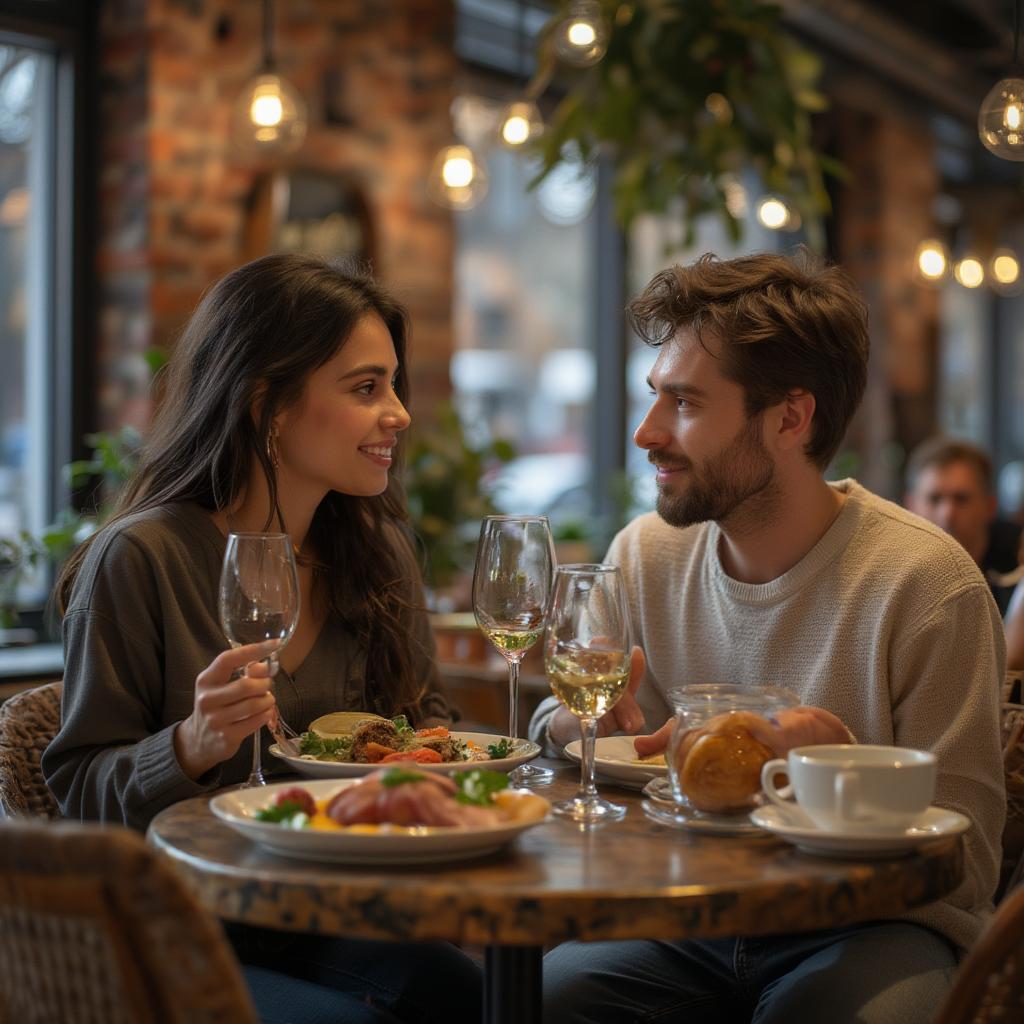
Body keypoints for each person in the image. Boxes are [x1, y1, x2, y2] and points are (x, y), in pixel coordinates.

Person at [530, 251, 1005, 1024]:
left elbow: (971, 859)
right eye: (654, 398)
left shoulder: (926, 583)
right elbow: (584, 748)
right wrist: (569, 725)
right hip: (685, 917)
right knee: (542, 1002)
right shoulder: (644, 556)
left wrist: (839, 775)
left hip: (870, 931)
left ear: (790, 418)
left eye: (684, 403)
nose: (647, 433)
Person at [42, 253, 482, 1023]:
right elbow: (76, 794)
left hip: (332, 909)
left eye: (393, 383)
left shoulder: (377, 554)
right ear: (267, 406)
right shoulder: (143, 558)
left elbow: (427, 723)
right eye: (365, 388)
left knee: (469, 992)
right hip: (178, 926)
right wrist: (189, 745)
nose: (400, 414)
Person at [904, 435, 1022, 615]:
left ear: (989, 506)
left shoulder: (1018, 562)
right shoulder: (898, 576)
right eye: (934, 499)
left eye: (961, 499)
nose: (947, 514)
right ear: (910, 506)